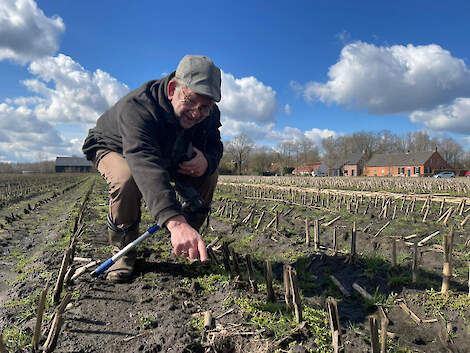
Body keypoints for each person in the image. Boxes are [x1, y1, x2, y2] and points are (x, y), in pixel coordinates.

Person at [82, 55, 223, 282]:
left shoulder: (208, 112)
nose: (197, 113)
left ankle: (189, 242)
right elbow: (143, 160)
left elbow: (215, 145)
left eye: (205, 107)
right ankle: (123, 252)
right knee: (126, 178)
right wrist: (173, 220)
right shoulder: (138, 107)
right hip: (116, 146)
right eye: (189, 101)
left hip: (168, 149)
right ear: (172, 90)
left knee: (209, 174)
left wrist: (207, 161)